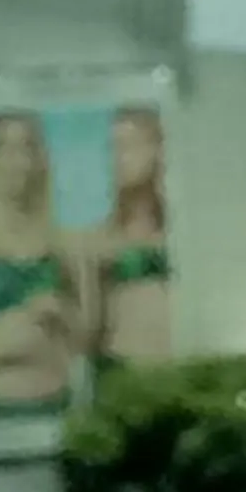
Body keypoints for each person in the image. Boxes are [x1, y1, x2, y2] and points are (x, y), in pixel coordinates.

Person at [0, 113, 85, 415]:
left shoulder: (59, 244)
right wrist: (16, 325)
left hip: (56, 404)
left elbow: (85, 340)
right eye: (6, 148)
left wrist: (62, 311)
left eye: (27, 148)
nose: (18, 162)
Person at [87, 104, 172, 368]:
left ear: (158, 150)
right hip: (121, 366)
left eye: (131, 145)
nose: (119, 158)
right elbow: (89, 328)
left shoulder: (183, 231)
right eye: (112, 148)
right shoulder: (98, 237)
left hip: (179, 367)